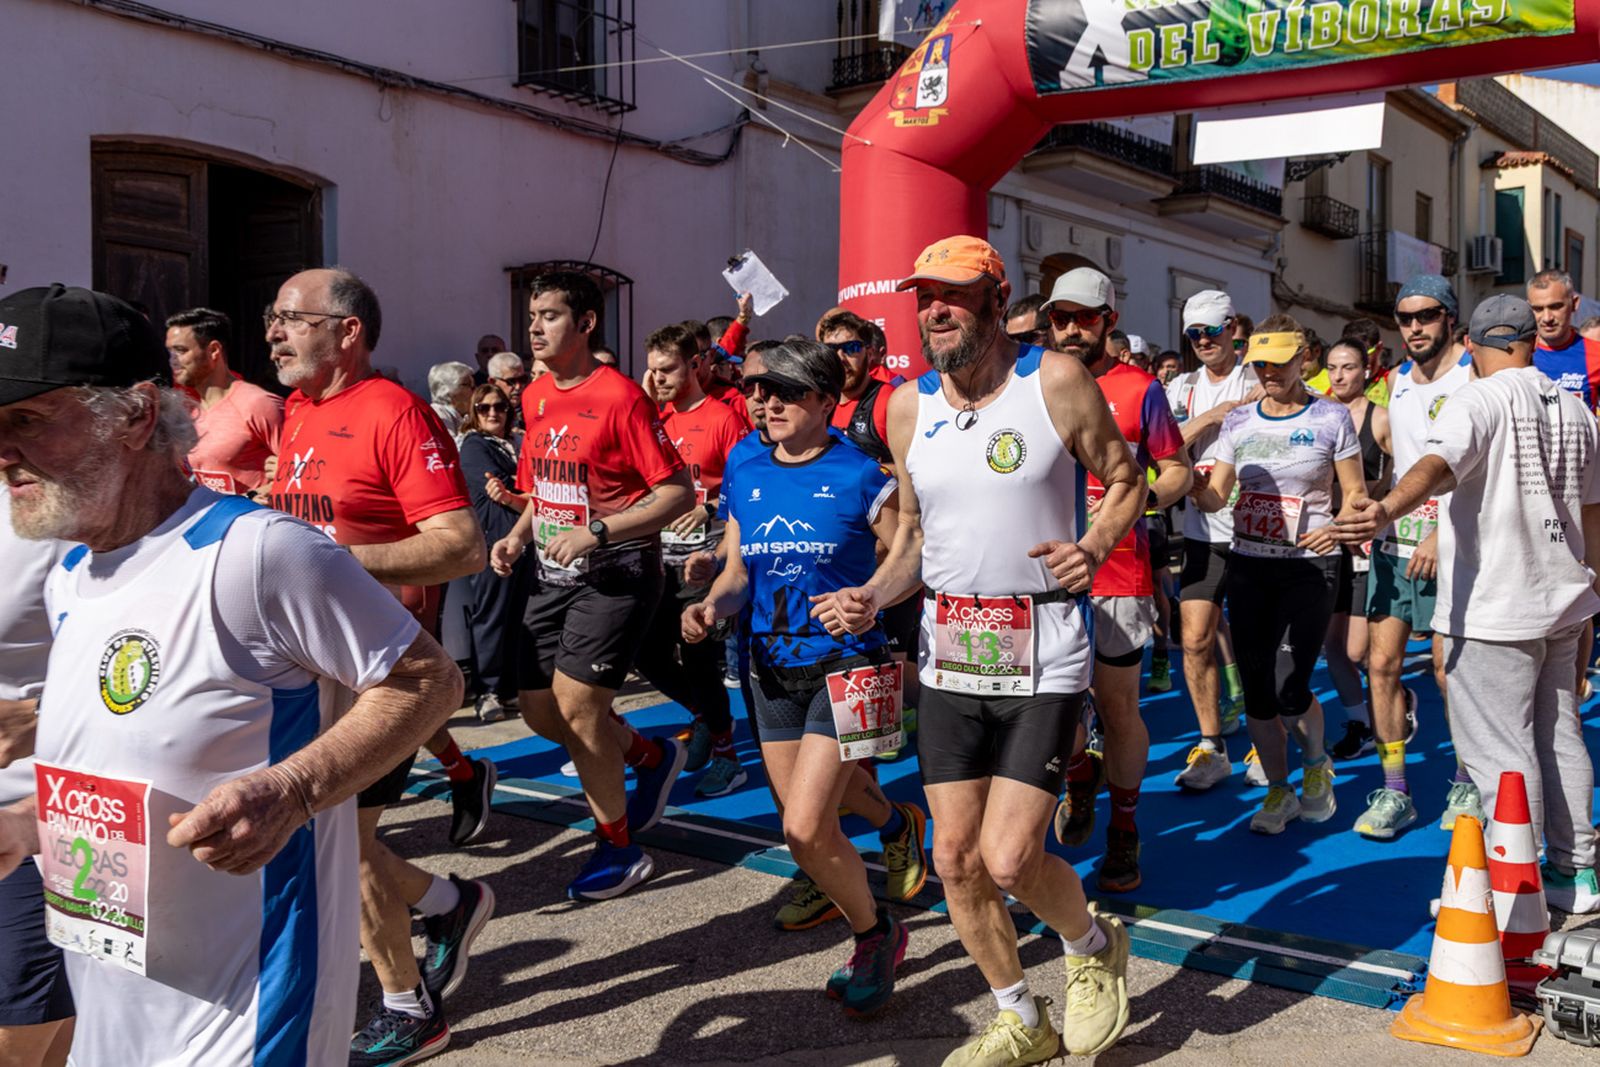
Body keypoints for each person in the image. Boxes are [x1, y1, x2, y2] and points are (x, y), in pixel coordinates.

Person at [0, 283, 464, 1066]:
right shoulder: (72, 571)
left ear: (139, 415)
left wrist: (295, 789)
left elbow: (428, 681)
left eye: (29, 420)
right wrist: (26, 829)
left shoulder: (258, 552)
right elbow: (135, 758)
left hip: (245, 1020)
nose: (3, 448)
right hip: (113, 1007)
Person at [815, 236, 1142, 1062]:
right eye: (926, 295)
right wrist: (874, 594)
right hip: (949, 648)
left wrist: (1094, 545)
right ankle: (1019, 1016)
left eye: (955, 295)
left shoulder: (1056, 382)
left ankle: (1090, 946)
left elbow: (1126, 476)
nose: (936, 310)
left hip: (1045, 646)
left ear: (997, 302)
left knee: (1008, 855)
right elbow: (915, 538)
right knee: (955, 857)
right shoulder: (904, 408)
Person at [265, 269, 496, 1063]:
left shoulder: (394, 412)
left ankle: (410, 1004)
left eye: (291, 318)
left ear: (347, 331)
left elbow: (459, 544)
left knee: (345, 847)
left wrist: (337, 561)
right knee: (336, 843)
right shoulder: (298, 411)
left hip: (383, 674)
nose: (274, 332)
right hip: (303, 668)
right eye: (273, 318)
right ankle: (449, 900)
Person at [1335, 293, 1600, 912]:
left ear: (1476, 346)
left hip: (1495, 604)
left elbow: (1438, 464)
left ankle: (1515, 890)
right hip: (1563, 598)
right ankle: (1576, 872)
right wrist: (1591, 593)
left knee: (1500, 753)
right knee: (1559, 737)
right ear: (1530, 339)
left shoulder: (1476, 397)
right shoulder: (1575, 407)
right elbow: (1592, 511)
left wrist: (1385, 509)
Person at [683, 339, 921, 1017]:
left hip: (852, 663)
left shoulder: (859, 474)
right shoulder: (744, 462)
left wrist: (869, 593)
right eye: (758, 389)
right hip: (770, 665)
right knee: (813, 823)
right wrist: (708, 605)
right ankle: (896, 820)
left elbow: (913, 554)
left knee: (806, 825)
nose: (766, 402)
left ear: (824, 400)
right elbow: (737, 573)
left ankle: (876, 935)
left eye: (784, 391)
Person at [491, 271, 698, 901]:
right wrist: (520, 535)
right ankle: (648, 756)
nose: (535, 327)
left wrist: (599, 533)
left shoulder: (619, 397)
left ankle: (619, 846)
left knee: (580, 711)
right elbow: (543, 483)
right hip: (551, 573)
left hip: (618, 574)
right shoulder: (533, 396)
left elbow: (676, 492)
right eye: (531, 315)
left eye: (550, 315)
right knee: (540, 711)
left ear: (586, 325)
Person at [1043, 268, 1190, 893]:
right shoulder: (1035, 386)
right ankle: (1079, 774)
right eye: (1061, 318)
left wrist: (1137, 501)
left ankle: (1124, 830)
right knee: (1053, 717)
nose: (1072, 329)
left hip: (1118, 575)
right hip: (1043, 574)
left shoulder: (1139, 390)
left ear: (1109, 320)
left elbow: (1179, 469)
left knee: (1118, 708)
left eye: (1084, 317)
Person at [1191, 315, 1366, 834]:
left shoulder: (1333, 417)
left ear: (1302, 360)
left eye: (1278, 363)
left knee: (1290, 687)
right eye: (1260, 364)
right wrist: (1193, 485)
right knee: (1257, 690)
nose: (1268, 372)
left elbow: (1354, 494)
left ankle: (1315, 765)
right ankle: (1278, 790)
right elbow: (1218, 494)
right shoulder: (1239, 421)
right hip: (1248, 563)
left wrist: (1336, 527)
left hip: (1309, 567)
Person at [1346, 276, 1477, 839]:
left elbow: (1477, 470)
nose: (1415, 327)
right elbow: (1396, 470)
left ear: (1450, 317)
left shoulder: (1476, 376)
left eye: (1426, 316)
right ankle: (1396, 791)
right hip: (1395, 545)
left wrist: (1440, 535)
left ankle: (1467, 779)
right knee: (1380, 666)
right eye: (1405, 318)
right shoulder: (1393, 382)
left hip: (1457, 544)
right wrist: (1363, 499)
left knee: (1452, 675)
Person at [641, 324, 748, 795]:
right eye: (652, 371)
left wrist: (709, 507)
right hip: (656, 558)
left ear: (694, 365)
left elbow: (747, 485)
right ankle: (707, 718)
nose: (658, 378)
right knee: (645, 651)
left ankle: (728, 756)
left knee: (700, 657)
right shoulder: (651, 418)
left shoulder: (723, 417)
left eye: (667, 369)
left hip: (703, 560)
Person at [1167, 290, 1257, 789]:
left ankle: (1273, 741)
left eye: (1212, 331)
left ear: (1233, 329)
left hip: (1255, 534)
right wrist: (1211, 416)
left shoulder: (1258, 377)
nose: (1203, 341)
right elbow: (1160, 444)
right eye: (1193, 334)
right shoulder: (1181, 388)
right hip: (1202, 532)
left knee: (1256, 644)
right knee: (1196, 639)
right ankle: (1211, 746)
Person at [0, 491, 70, 1067]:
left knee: (19, 1037)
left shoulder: (48, 511)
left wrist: (46, 718)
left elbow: (156, 666)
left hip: (36, 820)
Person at [1320, 340, 1390, 768]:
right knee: (1333, 646)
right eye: (1332, 368)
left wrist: (1380, 508)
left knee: (1357, 651)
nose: (1339, 376)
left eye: (1348, 367)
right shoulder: (1319, 414)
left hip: (1366, 543)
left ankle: (1395, 695)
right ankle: (1360, 724)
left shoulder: (1381, 419)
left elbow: (1407, 472)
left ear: (1366, 370)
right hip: (1328, 540)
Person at [457, 384, 529, 723]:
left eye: (499, 406)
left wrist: (518, 486)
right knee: (491, 616)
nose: (492, 413)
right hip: (492, 543)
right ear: (474, 412)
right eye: (483, 407)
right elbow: (499, 482)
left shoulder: (519, 441)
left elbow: (524, 485)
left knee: (520, 617)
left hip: (524, 541)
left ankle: (510, 688)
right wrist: (522, 485)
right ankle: (487, 692)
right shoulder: (473, 444)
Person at [165, 307, 282, 496]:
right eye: (169, 352)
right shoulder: (189, 411)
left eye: (181, 350)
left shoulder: (259, 404)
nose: (172, 360)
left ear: (213, 350)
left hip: (259, 522)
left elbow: (301, 476)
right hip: (215, 523)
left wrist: (248, 500)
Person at [1529, 270, 1600, 409]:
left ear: (1574, 303)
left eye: (1555, 307)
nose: (1547, 318)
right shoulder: (1515, 355)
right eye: (1538, 309)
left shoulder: (1596, 354)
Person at [1342, 318, 1392, 407]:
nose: (1357, 359)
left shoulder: (1392, 382)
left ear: (1379, 348)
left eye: (1364, 351)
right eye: (1351, 352)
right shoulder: (1335, 382)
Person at [427, 361, 476, 439]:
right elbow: (453, 446)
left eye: (473, 385)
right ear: (446, 389)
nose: (474, 390)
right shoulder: (439, 414)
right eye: (467, 384)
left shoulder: (464, 415)